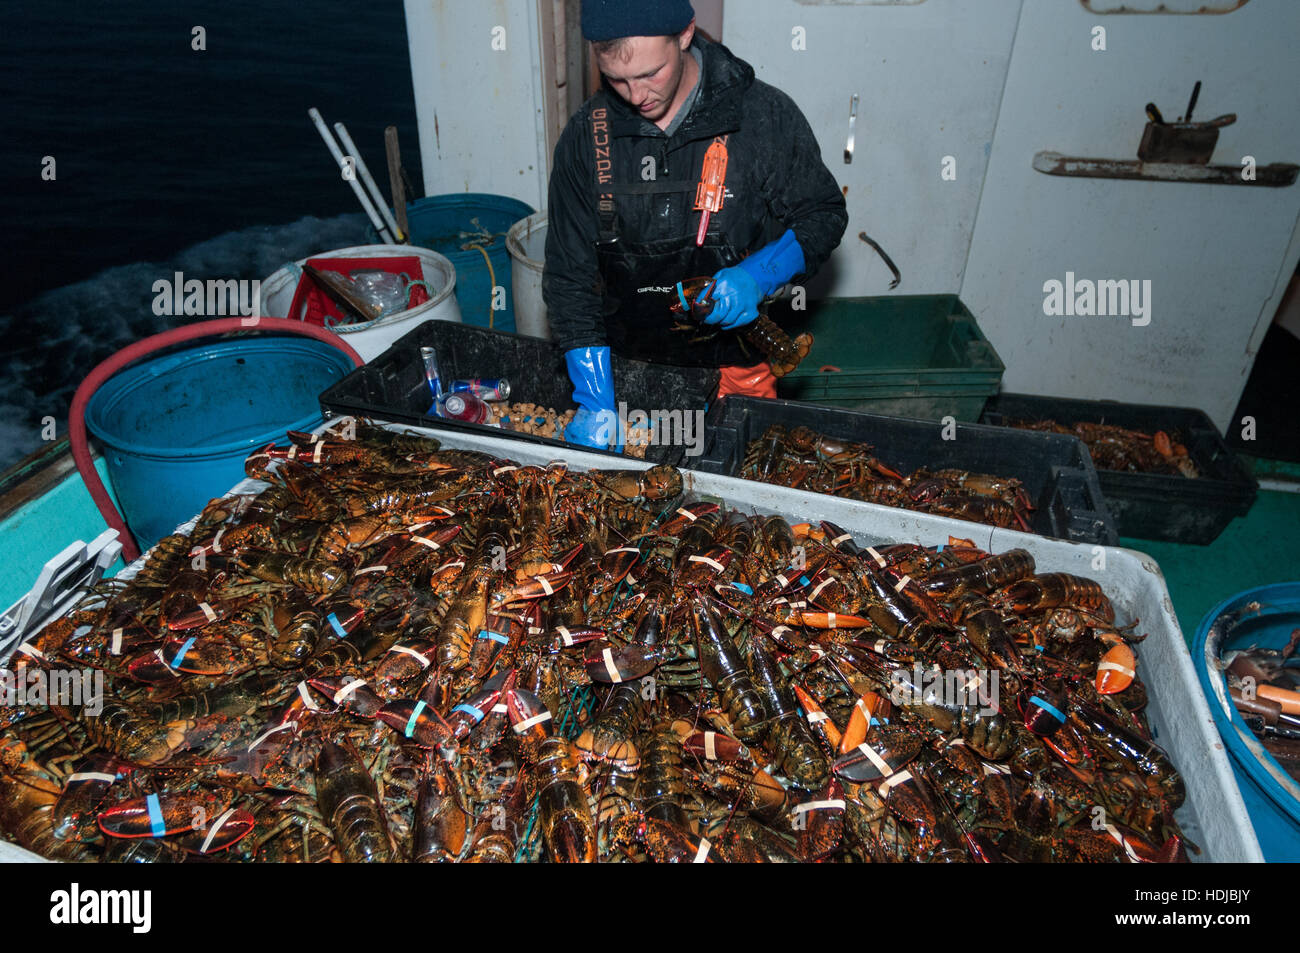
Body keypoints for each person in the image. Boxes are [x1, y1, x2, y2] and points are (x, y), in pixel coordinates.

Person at [544, 0, 848, 450]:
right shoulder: (586, 138)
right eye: (617, 79)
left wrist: (760, 274)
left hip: (737, 364)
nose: (635, 95)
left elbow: (822, 214)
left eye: (650, 74)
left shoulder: (762, 117)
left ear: (685, 34)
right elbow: (570, 276)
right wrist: (594, 398)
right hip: (625, 366)